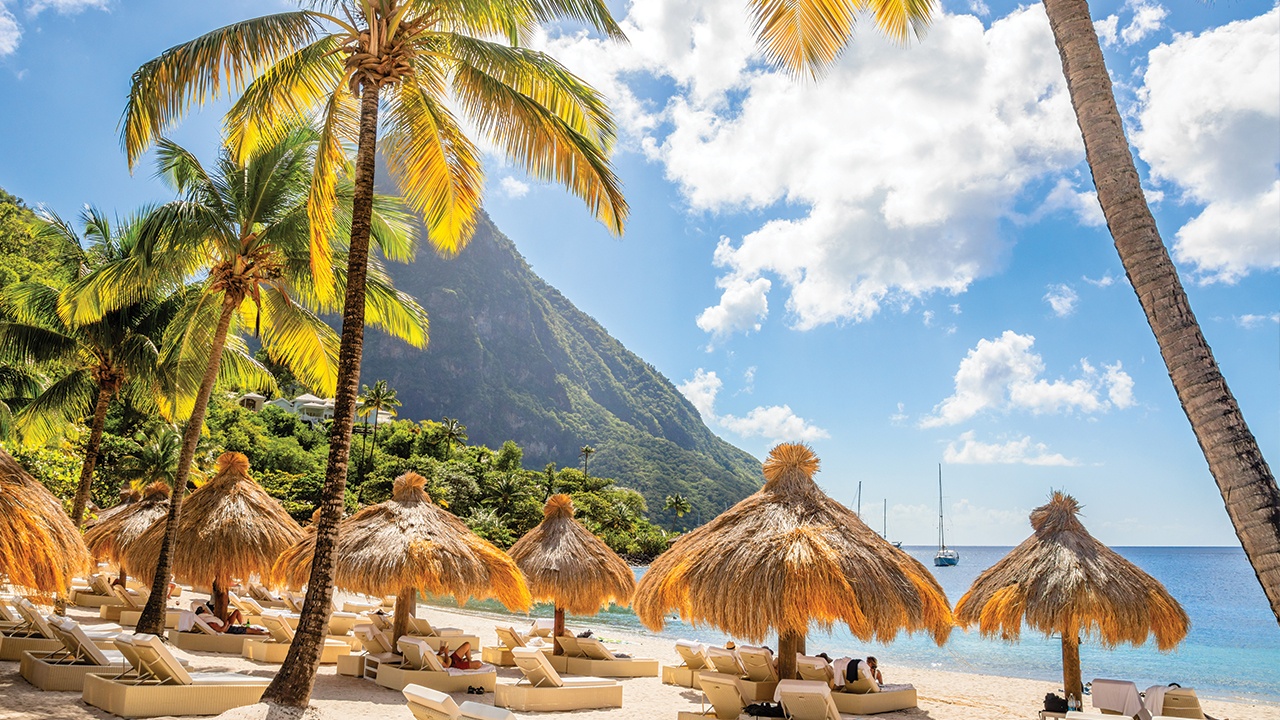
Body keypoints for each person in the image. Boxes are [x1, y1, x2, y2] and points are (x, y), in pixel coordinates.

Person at [194, 604, 267, 635]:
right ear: (203, 613)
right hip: (229, 629)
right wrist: (226, 623)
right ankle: (265, 635)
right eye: (204, 611)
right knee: (250, 630)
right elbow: (221, 630)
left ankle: (244, 625)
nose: (205, 611)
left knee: (249, 628)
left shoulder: (208, 619)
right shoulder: (210, 622)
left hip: (229, 627)